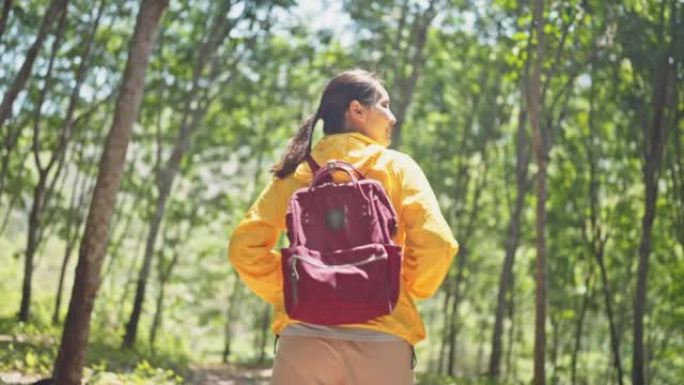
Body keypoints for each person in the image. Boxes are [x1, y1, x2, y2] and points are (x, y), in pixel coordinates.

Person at [228, 69, 458, 385]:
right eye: (385, 105)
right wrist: (401, 286)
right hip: (382, 337)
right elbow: (437, 242)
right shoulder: (396, 167)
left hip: (303, 340)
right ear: (357, 110)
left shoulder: (296, 174)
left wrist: (296, 288)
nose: (392, 117)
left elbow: (244, 248)